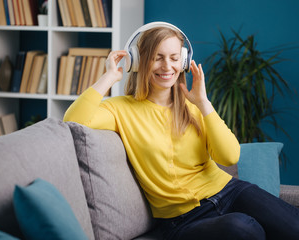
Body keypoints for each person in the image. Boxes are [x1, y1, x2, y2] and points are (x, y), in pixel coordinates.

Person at [64, 22, 299, 240]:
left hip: (230, 191)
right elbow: (74, 120)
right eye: (157, 58)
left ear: (184, 61)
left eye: (174, 58)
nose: (167, 66)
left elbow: (229, 157)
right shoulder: (120, 109)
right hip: (183, 219)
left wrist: (204, 104)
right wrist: (110, 77)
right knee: (243, 228)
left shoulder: (194, 106)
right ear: (138, 61)